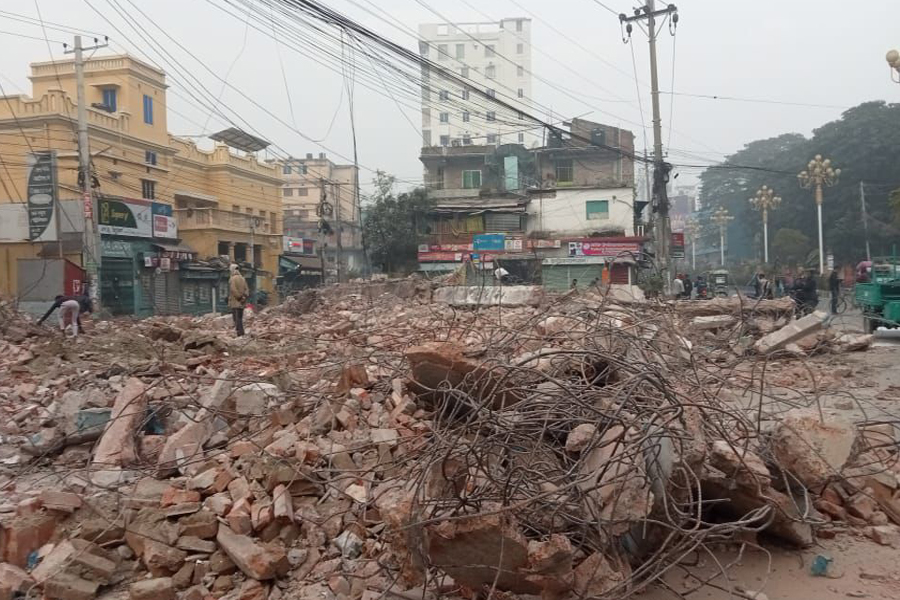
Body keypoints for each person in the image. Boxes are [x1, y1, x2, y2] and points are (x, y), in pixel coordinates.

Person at [228, 264, 249, 337]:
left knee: (236, 319)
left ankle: (239, 333)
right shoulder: (243, 278)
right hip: (242, 302)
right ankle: (241, 333)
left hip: (235, 302)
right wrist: (243, 298)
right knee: (240, 318)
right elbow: (247, 290)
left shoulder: (232, 279)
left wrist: (239, 298)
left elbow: (233, 290)